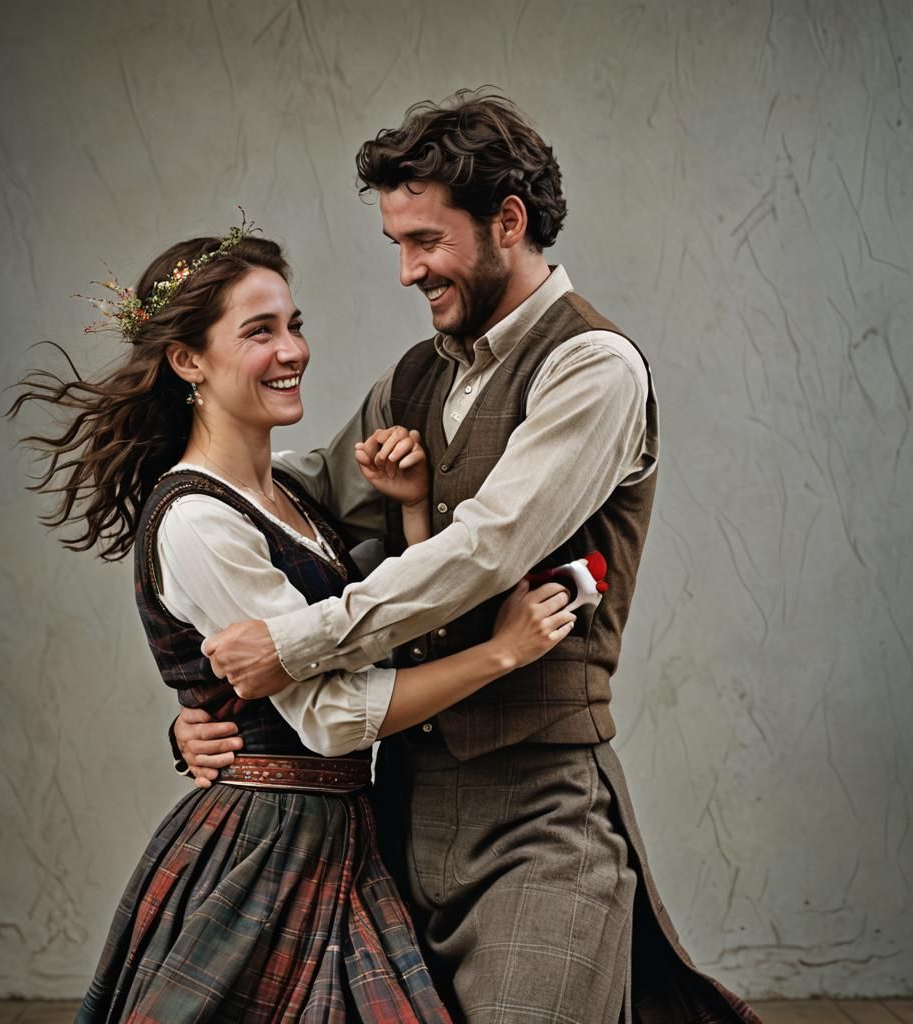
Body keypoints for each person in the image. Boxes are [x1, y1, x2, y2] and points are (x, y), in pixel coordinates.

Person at [178, 92, 762, 1023]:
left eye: (425, 241)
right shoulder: (417, 376)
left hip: (541, 816)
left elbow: (486, 548)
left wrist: (292, 646)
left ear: (508, 222)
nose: (407, 271)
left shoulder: (594, 369)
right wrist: (202, 681)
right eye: (396, 245)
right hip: (394, 818)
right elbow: (301, 508)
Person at [9, 225, 579, 1022]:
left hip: (344, 830)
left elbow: (381, 622)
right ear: (187, 362)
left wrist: (413, 506)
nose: (293, 350)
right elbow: (334, 716)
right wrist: (501, 653)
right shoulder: (197, 521)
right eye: (259, 331)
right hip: (262, 846)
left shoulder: (291, 496)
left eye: (294, 324)